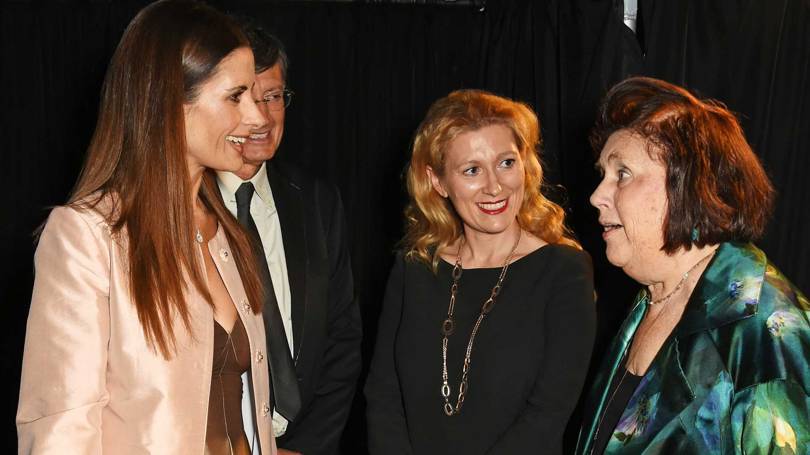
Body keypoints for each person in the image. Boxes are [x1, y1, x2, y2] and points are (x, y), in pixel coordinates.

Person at [16, 1, 278, 453]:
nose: (258, 118)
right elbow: (61, 432)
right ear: (169, 101)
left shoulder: (228, 235)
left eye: (257, 97)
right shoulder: (87, 238)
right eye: (236, 97)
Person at [577, 76, 810, 454]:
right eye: (603, 174)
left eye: (622, 174)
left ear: (691, 183)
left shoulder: (764, 332)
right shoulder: (653, 296)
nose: (596, 195)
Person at [365, 89, 597, 454]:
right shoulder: (415, 265)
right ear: (437, 182)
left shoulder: (565, 271)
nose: (495, 185)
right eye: (472, 170)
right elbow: (383, 395)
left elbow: (548, 413)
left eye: (506, 162)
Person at [216, 19, 362, 455]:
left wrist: (309, 447)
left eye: (273, 97)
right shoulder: (183, 208)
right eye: (242, 99)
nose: (261, 117)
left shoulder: (317, 200)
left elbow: (342, 338)